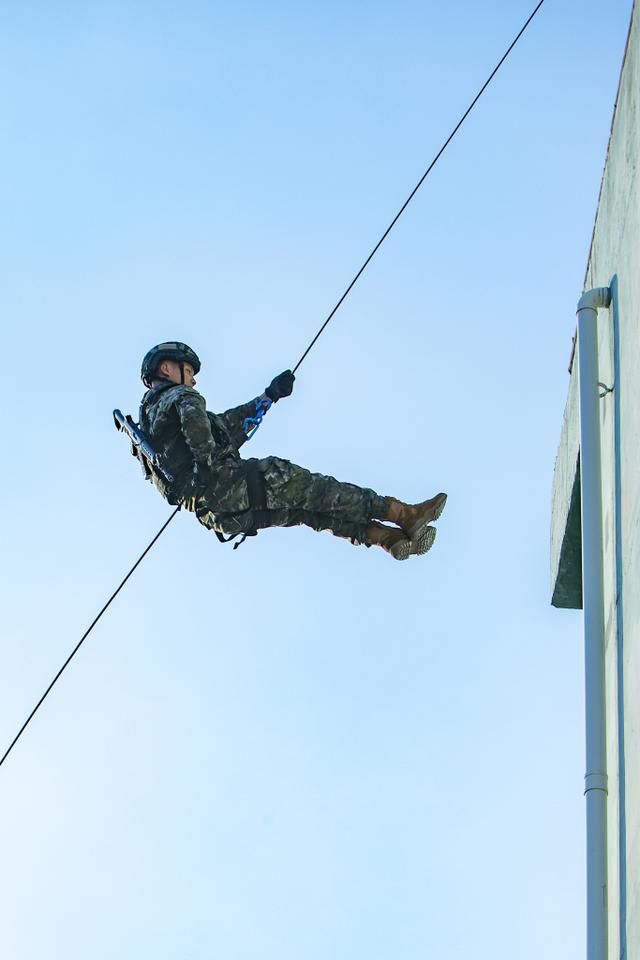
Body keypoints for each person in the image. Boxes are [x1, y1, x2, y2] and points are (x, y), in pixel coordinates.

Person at [138, 342, 447, 559]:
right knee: (321, 491)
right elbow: (198, 425)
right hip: (232, 483)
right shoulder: (178, 397)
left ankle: (387, 540)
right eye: (188, 370)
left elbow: (228, 428)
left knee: (308, 513)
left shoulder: (154, 432)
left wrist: (269, 396)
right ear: (167, 369)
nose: (192, 379)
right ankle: (405, 515)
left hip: (221, 516)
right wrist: (208, 463)